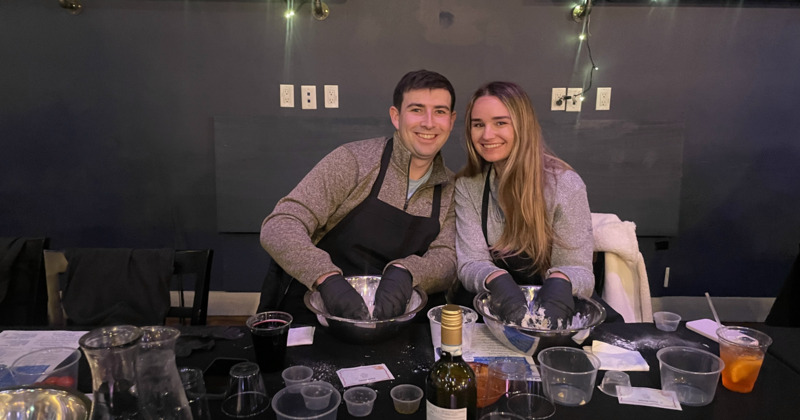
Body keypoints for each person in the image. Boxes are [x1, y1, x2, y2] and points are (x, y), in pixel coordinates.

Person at [258, 70, 458, 324]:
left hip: (396, 319)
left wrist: (405, 272)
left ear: (451, 121)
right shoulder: (354, 161)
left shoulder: (451, 188)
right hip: (318, 313)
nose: (429, 123)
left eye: (439, 111)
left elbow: (447, 258)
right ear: (396, 117)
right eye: (417, 110)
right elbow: (279, 225)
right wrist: (326, 278)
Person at [453, 81, 620, 326]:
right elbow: (470, 262)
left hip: (559, 303)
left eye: (500, 123)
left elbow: (580, 271)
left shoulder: (565, 184)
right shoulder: (468, 186)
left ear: (523, 126)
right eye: (478, 124)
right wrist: (497, 279)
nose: (487, 135)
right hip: (492, 304)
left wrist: (561, 281)